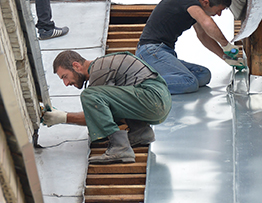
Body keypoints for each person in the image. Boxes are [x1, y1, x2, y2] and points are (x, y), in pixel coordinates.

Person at [43, 50, 172, 164]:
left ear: (76, 66)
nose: (66, 83)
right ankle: (140, 132)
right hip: (158, 100)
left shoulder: (99, 70)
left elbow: (95, 114)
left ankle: (119, 147)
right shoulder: (103, 67)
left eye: (65, 76)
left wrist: (63, 117)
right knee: (104, 105)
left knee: (88, 96)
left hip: (153, 97)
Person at [136, 0, 243, 94]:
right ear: (206, 2)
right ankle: (136, 84)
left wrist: (227, 58)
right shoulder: (187, 1)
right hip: (150, 51)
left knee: (204, 75)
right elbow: (206, 22)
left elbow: (203, 36)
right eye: (219, 10)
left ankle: (157, 78)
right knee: (189, 82)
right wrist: (226, 45)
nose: (219, 14)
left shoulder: (192, 5)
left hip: (162, 52)